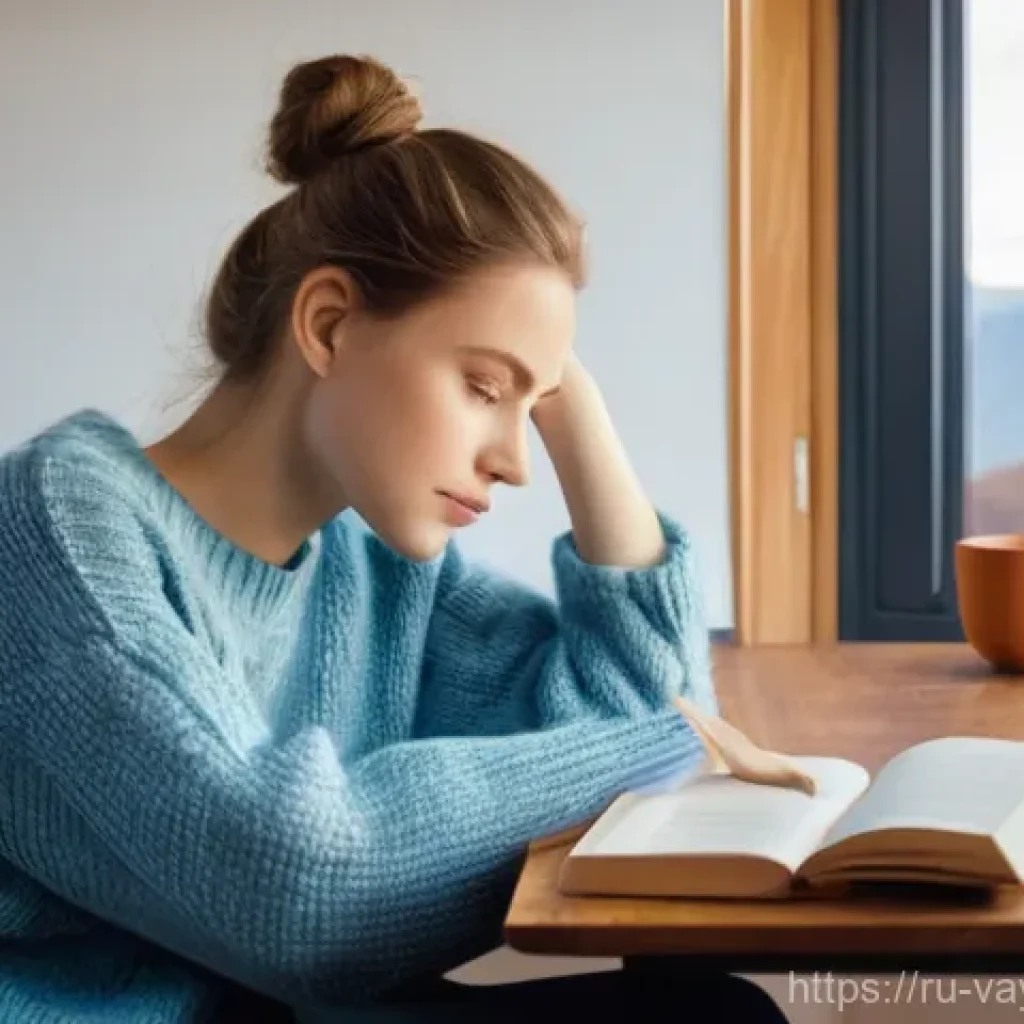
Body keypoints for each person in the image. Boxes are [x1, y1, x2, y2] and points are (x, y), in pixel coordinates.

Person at [0, 54, 805, 1022]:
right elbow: (300, 897)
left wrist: (572, 405)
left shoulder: (367, 562)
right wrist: (672, 742)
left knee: (712, 1012)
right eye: (482, 386)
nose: (513, 459)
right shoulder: (56, 534)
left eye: (535, 401)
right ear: (330, 325)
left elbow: (642, 695)